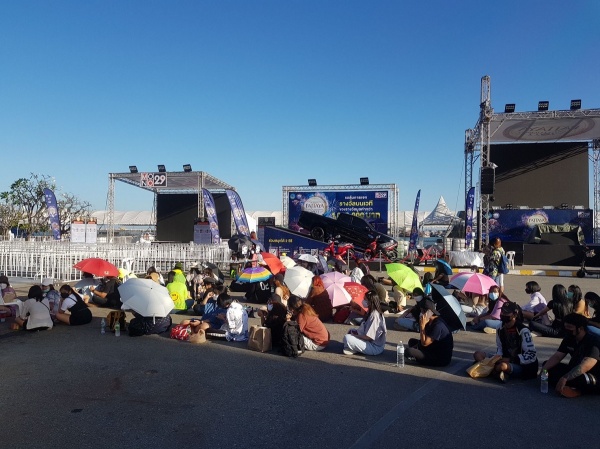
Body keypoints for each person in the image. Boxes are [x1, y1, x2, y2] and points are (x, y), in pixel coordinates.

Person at [473, 302, 538, 382]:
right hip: (504, 358)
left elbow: (531, 355)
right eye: (502, 311)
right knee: (478, 354)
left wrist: (511, 360)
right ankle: (495, 371)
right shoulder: (500, 327)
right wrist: (497, 358)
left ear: (514, 315)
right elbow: (499, 348)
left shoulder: (523, 330)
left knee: (503, 366)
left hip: (520, 364)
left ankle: (491, 370)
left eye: (506, 312)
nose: (503, 314)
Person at [542, 313, 600, 397]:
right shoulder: (569, 338)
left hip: (593, 374)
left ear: (580, 328)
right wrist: (544, 370)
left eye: (570, 327)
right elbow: (557, 356)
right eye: (565, 327)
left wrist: (565, 378)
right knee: (548, 367)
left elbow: (587, 364)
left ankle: (578, 390)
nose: (567, 330)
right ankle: (567, 386)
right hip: (575, 368)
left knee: (578, 379)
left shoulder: (594, 341)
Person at [405, 298, 453, 367]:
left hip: (440, 358)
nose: (421, 313)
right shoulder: (430, 320)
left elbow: (424, 343)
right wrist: (417, 346)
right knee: (412, 341)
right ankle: (418, 356)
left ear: (428, 312)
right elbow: (423, 339)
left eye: (422, 311)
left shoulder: (438, 325)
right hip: (433, 348)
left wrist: (422, 326)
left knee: (408, 351)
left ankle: (418, 359)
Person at [342, 290, 387, 356]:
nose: (363, 301)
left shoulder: (374, 315)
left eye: (365, 299)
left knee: (347, 338)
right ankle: (354, 347)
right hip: (369, 341)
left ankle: (354, 348)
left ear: (370, 302)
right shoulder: (372, 311)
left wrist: (355, 336)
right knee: (351, 331)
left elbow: (369, 337)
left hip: (374, 346)